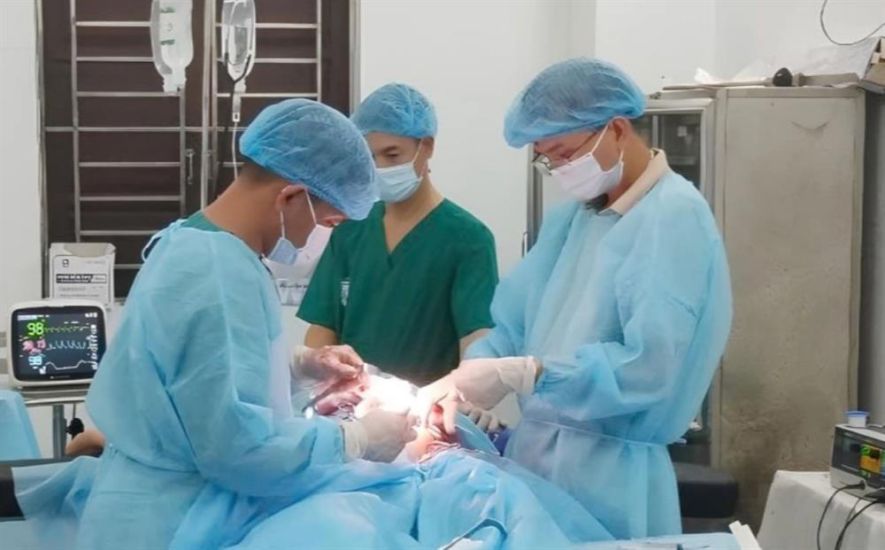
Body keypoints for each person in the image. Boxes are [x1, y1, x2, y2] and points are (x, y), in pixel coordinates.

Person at [70, 99, 416, 549]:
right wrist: (357, 438)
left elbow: (196, 383)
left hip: (152, 504)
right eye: (328, 223)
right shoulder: (218, 272)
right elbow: (239, 450)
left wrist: (299, 369)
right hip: (174, 523)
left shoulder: (192, 241)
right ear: (290, 196)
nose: (324, 240)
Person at [415, 58, 733, 540]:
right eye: (548, 158)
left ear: (617, 129)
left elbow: (649, 369)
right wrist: (470, 377)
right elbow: (512, 324)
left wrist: (528, 375)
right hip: (536, 461)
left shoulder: (673, 217)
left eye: (564, 153)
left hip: (614, 475)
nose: (558, 169)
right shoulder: (575, 219)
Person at [298, 83, 499, 387]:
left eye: (392, 154)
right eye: (371, 158)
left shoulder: (468, 238)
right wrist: (320, 384)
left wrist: (468, 396)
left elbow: (476, 338)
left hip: (427, 412)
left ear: (426, 147)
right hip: (352, 408)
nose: (380, 168)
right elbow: (323, 326)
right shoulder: (352, 230)